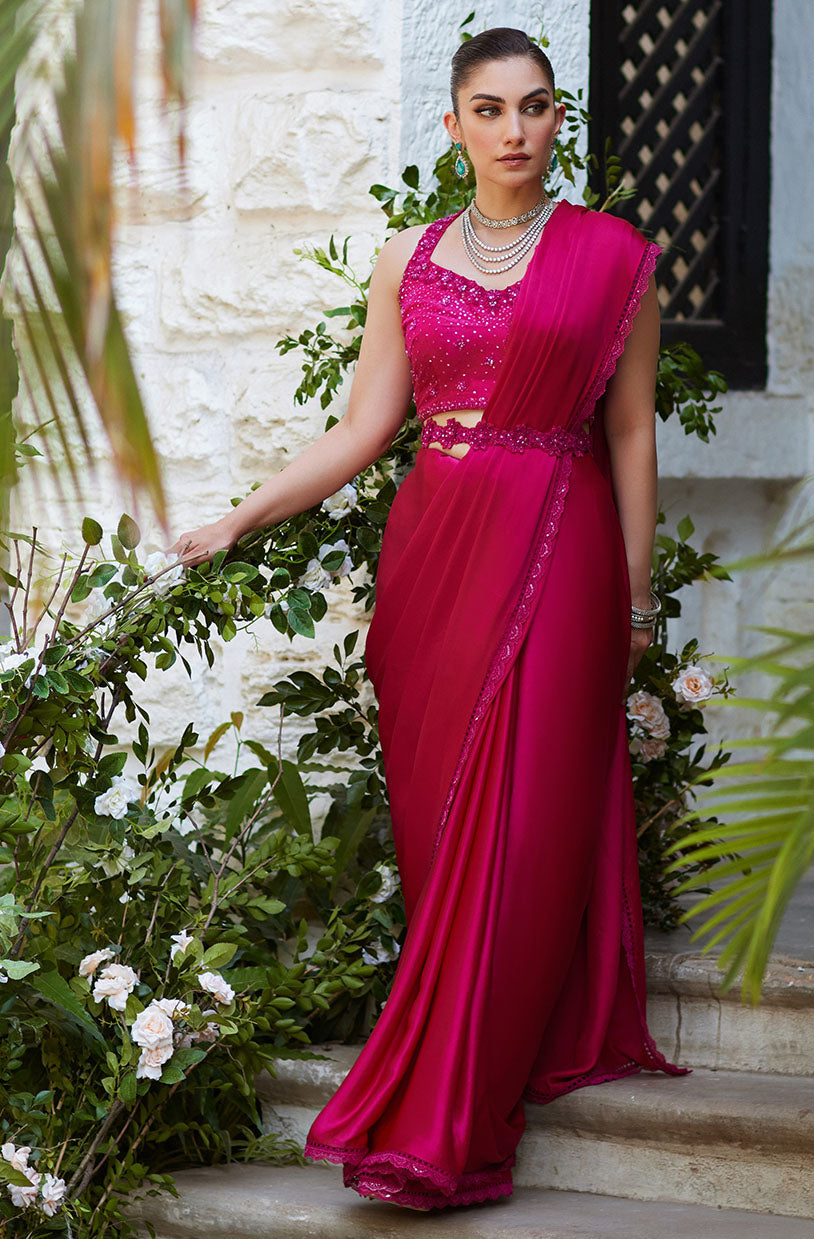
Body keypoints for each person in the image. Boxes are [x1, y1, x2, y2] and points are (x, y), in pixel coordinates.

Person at [170, 25, 691, 1214]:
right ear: (452, 125)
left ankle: (453, 1124)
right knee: (448, 831)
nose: (516, 130)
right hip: (434, 559)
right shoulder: (406, 258)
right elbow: (365, 430)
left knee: (524, 825)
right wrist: (241, 518)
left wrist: (636, 593)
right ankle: (461, 1067)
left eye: (536, 107)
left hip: (559, 546)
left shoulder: (613, 258)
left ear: (560, 120)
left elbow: (629, 432)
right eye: (490, 110)